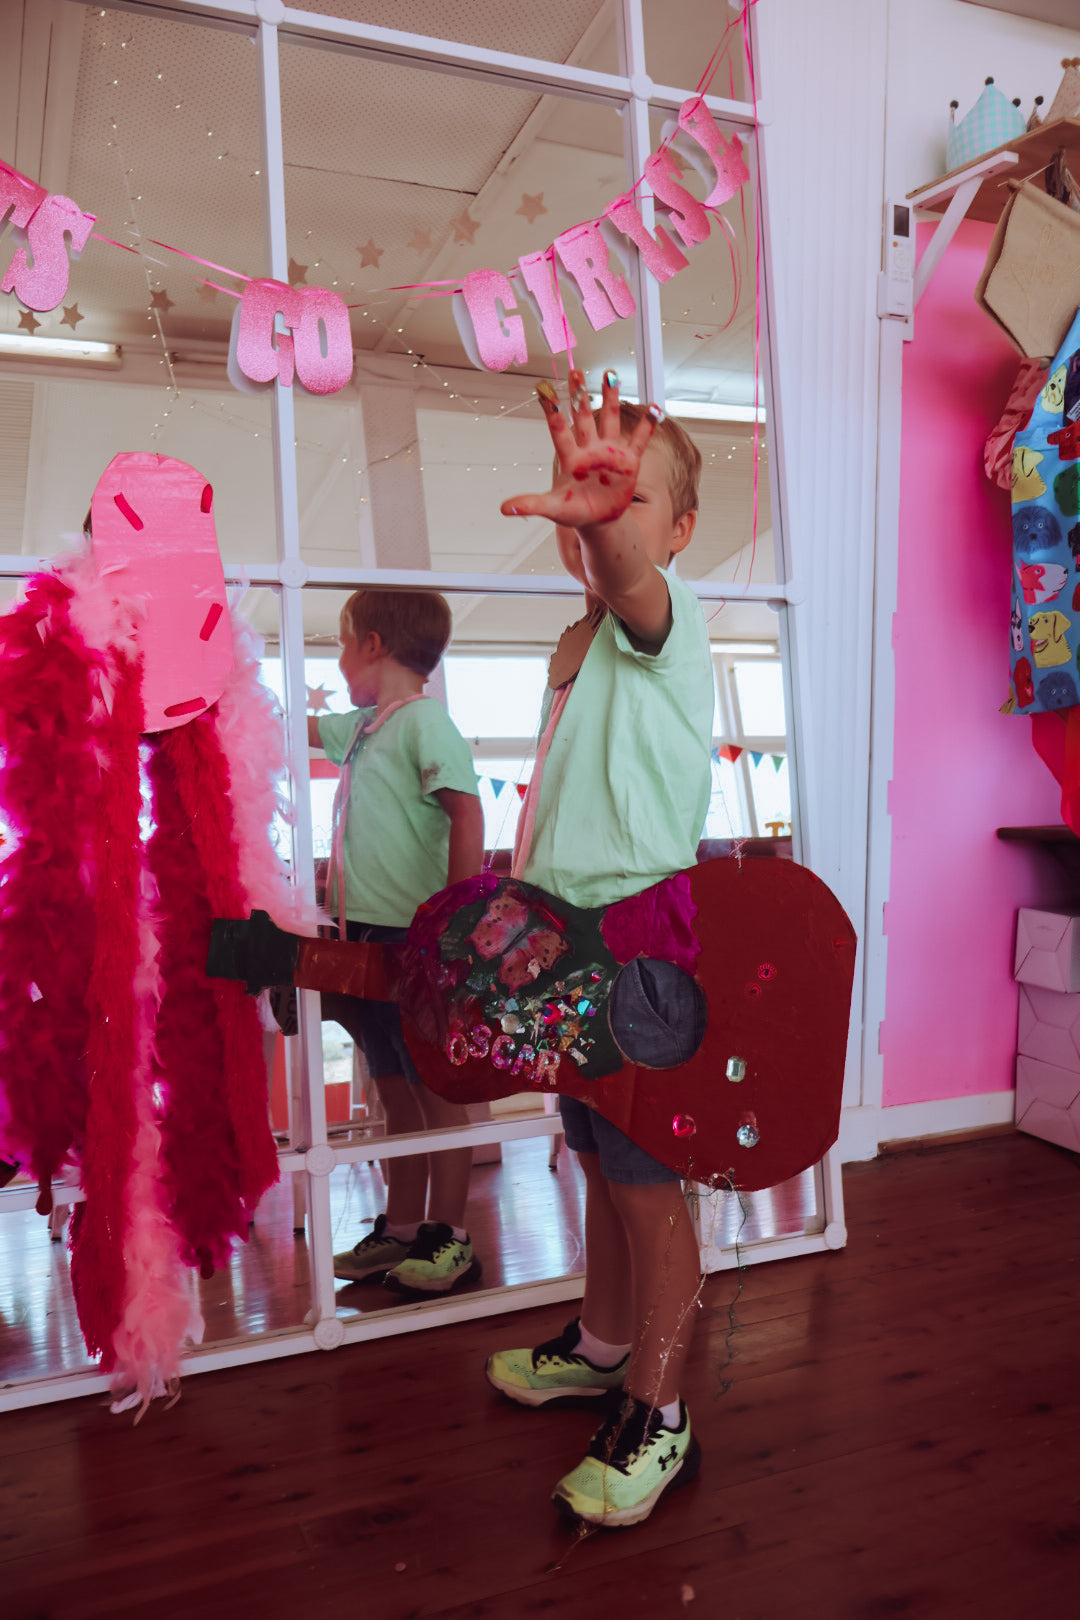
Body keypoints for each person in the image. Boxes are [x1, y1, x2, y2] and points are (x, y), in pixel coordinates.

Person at [485, 369, 714, 1527]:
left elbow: (627, 575)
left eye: (631, 502)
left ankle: (660, 1409)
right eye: (583, 494)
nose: (600, 518)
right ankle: (606, 1342)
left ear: (676, 533)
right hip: (568, 945)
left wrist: (611, 535)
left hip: (637, 954)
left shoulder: (662, 618)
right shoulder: (578, 639)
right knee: (596, 1164)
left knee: (647, 1189)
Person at [313, 588, 485, 1296]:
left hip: (415, 937)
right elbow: (291, 727)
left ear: (373, 646)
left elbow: (466, 812)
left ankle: (452, 1236)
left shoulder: (424, 721)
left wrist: (453, 921)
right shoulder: (363, 728)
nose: (339, 657)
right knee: (392, 1088)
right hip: (363, 937)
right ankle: (404, 1226)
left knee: (433, 1090)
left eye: (342, 643)